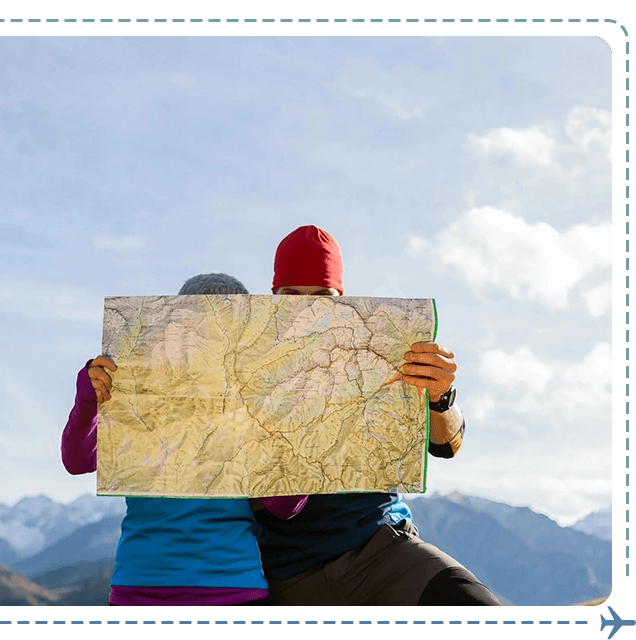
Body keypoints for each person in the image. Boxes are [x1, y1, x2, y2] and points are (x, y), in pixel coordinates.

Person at [250, 225, 503, 606]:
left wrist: (441, 395)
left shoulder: (381, 349)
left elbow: (446, 446)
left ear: (341, 298)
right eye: (292, 296)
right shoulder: (242, 362)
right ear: (274, 298)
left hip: (381, 549)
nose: (307, 309)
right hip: (285, 574)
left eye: (322, 296)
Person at [61, 272, 305, 607]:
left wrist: (291, 430)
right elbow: (77, 461)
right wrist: (88, 400)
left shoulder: (254, 404)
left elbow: (285, 506)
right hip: (139, 590)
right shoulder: (136, 392)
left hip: (233, 590)